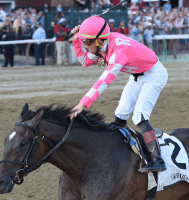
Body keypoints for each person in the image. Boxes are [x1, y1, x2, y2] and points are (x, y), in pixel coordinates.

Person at [69, 16, 168, 172]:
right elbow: (84, 61)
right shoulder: (104, 43)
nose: (85, 45)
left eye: (87, 42)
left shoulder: (118, 53)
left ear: (99, 41)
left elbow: (103, 82)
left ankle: (157, 158)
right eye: (84, 42)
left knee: (139, 116)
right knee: (120, 115)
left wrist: (83, 104)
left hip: (154, 75)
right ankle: (125, 148)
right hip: (138, 75)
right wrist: (76, 38)